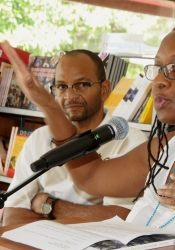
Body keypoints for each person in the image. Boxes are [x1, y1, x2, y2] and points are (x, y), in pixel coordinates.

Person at [0, 43, 148, 226]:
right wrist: (87, 215)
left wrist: (49, 205)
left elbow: (118, 220)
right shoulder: (38, 138)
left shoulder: (131, 141)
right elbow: (13, 216)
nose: (70, 96)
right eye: (62, 87)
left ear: (104, 89)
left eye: (82, 85)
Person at [62, 31, 175, 231]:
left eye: (174, 68)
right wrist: (50, 108)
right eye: (158, 68)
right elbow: (90, 177)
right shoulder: (164, 148)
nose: (158, 80)